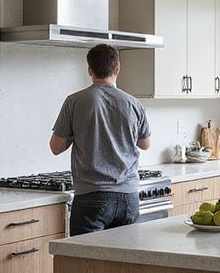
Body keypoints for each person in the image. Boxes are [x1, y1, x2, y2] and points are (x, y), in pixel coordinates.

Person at [50, 44, 153, 236]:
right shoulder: (133, 103)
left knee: (87, 262)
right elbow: (145, 144)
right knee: (125, 260)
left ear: (89, 70)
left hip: (91, 197)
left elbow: (56, 147)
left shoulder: (74, 101)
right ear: (117, 69)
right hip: (127, 197)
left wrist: (79, 130)